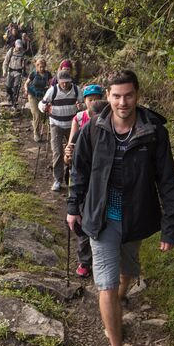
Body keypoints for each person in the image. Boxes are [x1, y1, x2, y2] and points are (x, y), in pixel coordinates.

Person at [65, 70, 174, 346]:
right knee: (104, 282)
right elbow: (81, 170)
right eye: (116, 96)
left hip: (136, 216)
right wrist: (73, 207)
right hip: (100, 216)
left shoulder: (153, 131)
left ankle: (117, 303)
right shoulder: (94, 128)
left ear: (137, 95)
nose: (122, 102)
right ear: (108, 96)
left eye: (128, 95)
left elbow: (168, 180)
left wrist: (171, 226)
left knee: (127, 271)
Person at [63, 84, 106, 277]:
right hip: (84, 178)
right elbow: (71, 153)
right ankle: (85, 260)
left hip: (103, 181)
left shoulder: (114, 124)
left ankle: (97, 259)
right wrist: (67, 156)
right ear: (84, 102)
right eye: (90, 99)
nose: (93, 102)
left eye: (97, 98)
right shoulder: (80, 121)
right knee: (83, 221)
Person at [38, 70, 83, 192]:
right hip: (56, 125)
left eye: (66, 82)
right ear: (58, 81)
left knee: (75, 151)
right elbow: (41, 104)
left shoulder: (77, 90)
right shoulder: (53, 90)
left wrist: (81, 106)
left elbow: (83, 104)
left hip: (72, 125)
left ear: (70, 81)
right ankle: (58, 180)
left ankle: (74, 177)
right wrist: (45, 108)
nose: (64, 84)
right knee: (57, 152)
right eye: (62, 82)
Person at [24, 57, 54, 142]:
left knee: (41, 115)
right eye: (40, 67)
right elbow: (26, 83)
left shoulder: (48, 74)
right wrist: (26, 90)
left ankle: (37, 126)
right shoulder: (33, 74)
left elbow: (51, 84)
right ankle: (36, 133)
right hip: (32, 95)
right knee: (36, 114)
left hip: (43, 96)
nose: (42, 68)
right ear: (37, 66)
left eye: (43, 67)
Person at [2, 39, 28, 108]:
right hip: (10, 71)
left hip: (18, 72)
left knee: (16, 88)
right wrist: (4, 71)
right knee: (8, 87)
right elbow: (5, 62)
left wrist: (24, 65)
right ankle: (10, 97)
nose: (19, 48)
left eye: (20, 47)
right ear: (15, 46)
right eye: (18, 47)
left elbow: (25, 65)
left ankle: (14, 103)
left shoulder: (23, 53)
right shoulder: (10, 52)